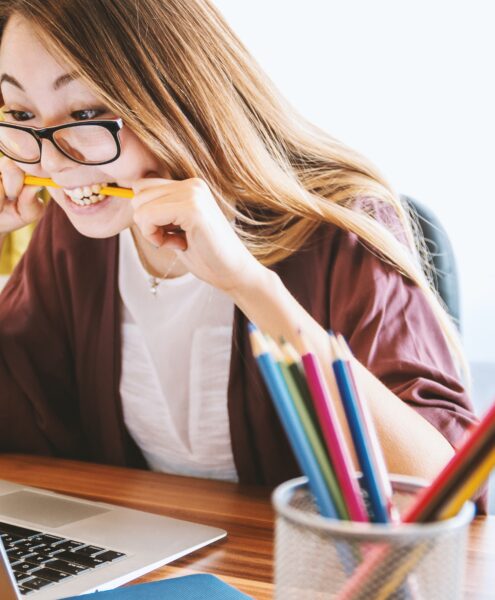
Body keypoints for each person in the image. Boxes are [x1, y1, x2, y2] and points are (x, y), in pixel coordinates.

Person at [0, 0, 485, 511]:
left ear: (176, 94)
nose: (51, 162)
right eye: (22, 114)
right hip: (150, 569)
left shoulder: (340, 230)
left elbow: (450, 495)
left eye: (87, 113)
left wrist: (248, 285)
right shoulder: (73, 236)